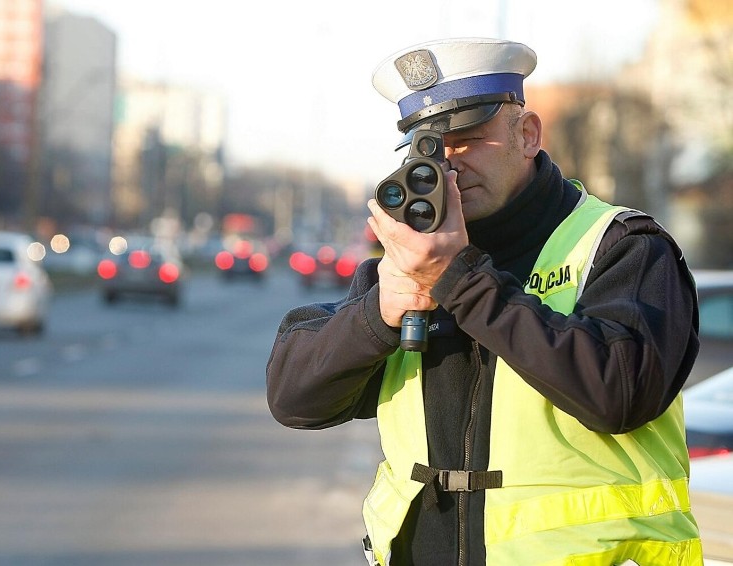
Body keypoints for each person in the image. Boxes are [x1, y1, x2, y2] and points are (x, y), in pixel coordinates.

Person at [266, 37, 704, 566]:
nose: (449, 166)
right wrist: (376, 316)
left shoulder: (622, 247)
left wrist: (460, 280)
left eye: (470, 139)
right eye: (427, 149)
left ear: (528, 134)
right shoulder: (410, 259)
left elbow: (620, 394)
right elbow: (293, 399)